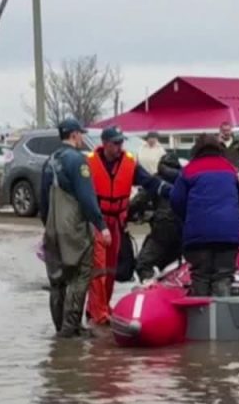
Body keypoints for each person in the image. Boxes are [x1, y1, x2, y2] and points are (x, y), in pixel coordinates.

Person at [86, 126, 166, 326]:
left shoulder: (129, 163)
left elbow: (149, 182)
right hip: (97, 221)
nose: (119, 146)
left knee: (111, 268)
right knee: (99, 267)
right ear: (104, 144)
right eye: (115, 143)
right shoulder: (89, 163)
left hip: (117, 222)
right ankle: (98, 312)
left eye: (121, 142)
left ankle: (101, 306)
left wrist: (168, 190)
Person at [39, 118, 108, 338]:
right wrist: (101, 226)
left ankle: (59, 328)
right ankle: (71, 328)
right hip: (74, 228)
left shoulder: (50, 161)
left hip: (52, 228)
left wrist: (49, 226)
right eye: (80, 134)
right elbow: (87, 198)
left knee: (57, 279)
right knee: (81, 274)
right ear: (75, 135)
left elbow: (42, 201)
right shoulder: (77, 161)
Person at [170, 134, 239, 297]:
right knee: (223, 276)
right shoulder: (229, 168)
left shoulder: (189, 169)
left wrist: (188, 218)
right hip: (228, 233)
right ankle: (221, 317)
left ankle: (201, 317)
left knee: (200, 276)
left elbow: (176, 200)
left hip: (198, 234)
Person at [131, 151, 184, 282]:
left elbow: (138, 201)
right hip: (184, 230)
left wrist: (127, 214)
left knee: (144, 264)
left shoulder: (156, 180)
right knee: (176, 266)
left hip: (162, 229)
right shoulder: (186, 180)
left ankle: (152, 289)